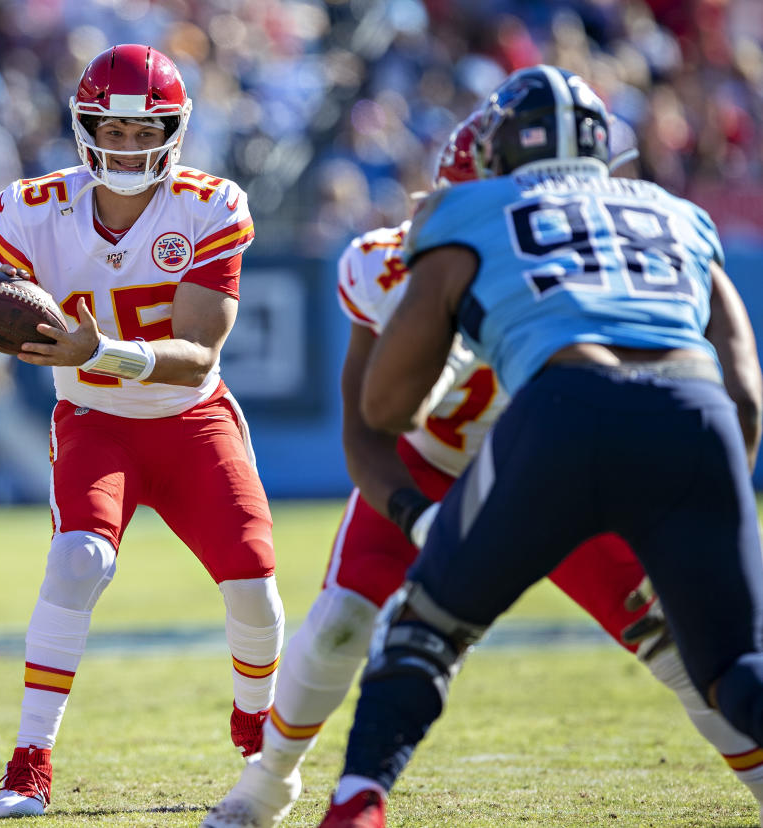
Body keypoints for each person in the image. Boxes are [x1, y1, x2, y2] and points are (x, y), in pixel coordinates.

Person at [201, 110, 763, 828]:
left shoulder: (589, 268)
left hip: (556, 468)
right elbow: (366, 430)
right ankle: (270, 782)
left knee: (675, 643)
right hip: (435, 464)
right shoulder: (391, 263)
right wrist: (417, 512)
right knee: (344, 619)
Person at [0, 44, 284, 818]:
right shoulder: (30, 207)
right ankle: (30, 760)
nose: (127, 146)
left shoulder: (211, 204)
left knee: (255, 583)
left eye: (144, 130)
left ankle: (256, 724)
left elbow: (197, 359)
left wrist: (101, 350)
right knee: (77, 559)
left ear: (175, 130)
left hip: (193, 422)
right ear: (84, 127)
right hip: (96, 421)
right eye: (113, 130)